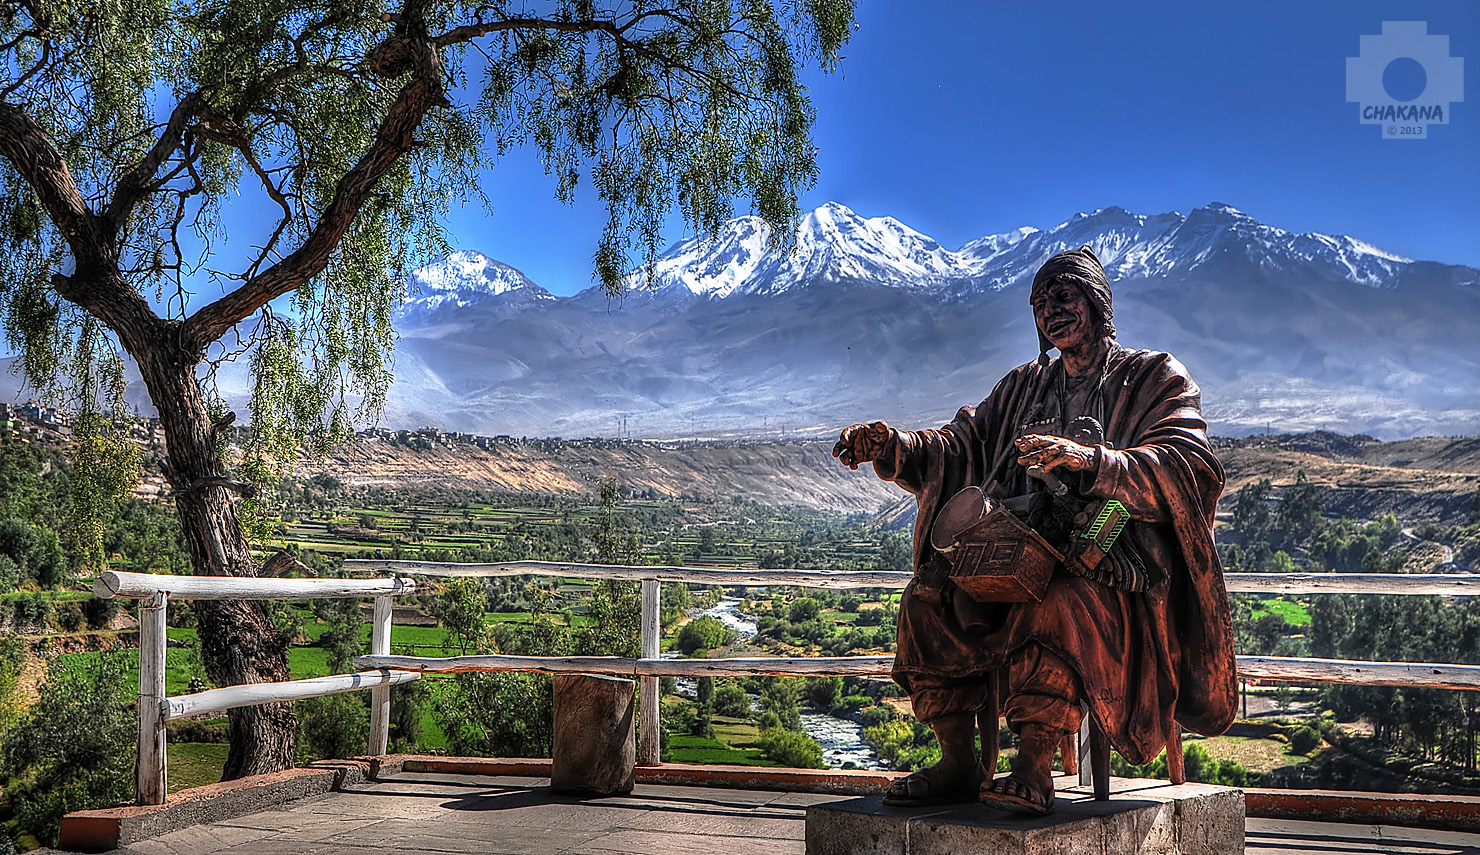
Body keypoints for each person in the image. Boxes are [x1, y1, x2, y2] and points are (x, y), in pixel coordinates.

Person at [833, 245, 1237, 815]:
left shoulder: (1153, 376)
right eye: (1039, 302)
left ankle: (1033, 764)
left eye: (1064, 294)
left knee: (1058, 602)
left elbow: (1188, 465)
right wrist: (896, 447)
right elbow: (961, 445)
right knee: (926, 599)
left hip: (1112, 568)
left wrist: (1093, 461)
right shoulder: (1023, 386)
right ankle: (956, 759)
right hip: (1018, 555)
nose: (1051, 310)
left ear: (1097, 303)